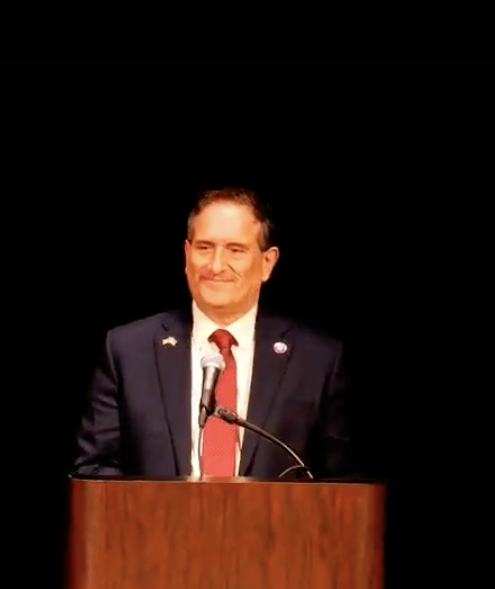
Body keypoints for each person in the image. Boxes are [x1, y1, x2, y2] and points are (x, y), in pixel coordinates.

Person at [71, 187, 358, 481]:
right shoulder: (129, 350)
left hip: (277, 526)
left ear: (267, 263)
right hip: (156, 525)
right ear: (186, 254)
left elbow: (344, 486)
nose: (216, 265)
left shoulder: (316, 359)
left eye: (235, 249)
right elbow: (94, 473)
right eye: (204, 247)